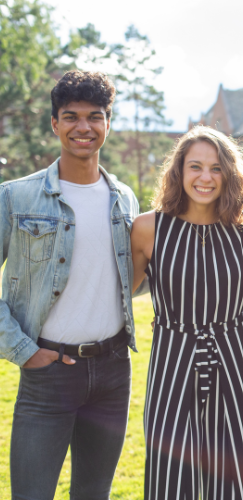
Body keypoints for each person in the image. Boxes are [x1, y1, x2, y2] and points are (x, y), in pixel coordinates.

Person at [1, 70, 140, 499]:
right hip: (48, 373)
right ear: (55, 124)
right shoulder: (15, 197)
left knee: (93, 494)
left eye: (95, 117)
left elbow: (131, 280)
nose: (84, 127)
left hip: (114, 371)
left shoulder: (126, 199)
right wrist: (24, 351)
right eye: (71, 116)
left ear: (108, 123)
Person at [131, 126, 243, 500]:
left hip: (233, 359)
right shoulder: (147, 229)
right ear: (179, 171)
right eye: (195, 167)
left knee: (236, 475)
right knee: (170, 476)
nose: (205, 177)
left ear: (229, 175)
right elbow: (119, 295)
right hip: (172, 358)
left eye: (216, 168)